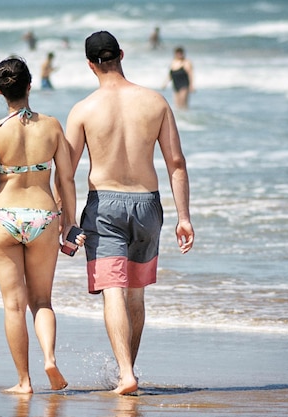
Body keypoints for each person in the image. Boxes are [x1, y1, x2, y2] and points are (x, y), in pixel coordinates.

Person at [64, 31, 194, 395]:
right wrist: (184, 217)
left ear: (90, 65)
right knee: (135, 294)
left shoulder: (84, 109)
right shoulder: (155, 102)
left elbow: (66, 172)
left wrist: (67, 221)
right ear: (121, 54)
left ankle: (126, 374)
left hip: (104, 206)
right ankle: (128, 370)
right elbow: (177, 163)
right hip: (148, 204)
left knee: (113, 292)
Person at [0, 56, 83, 394]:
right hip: (44, 217)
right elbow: (67, 178)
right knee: (42, 301)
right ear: (30, 85)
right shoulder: (52, 126)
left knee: (14, 305)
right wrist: (69, 222)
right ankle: (49, 358)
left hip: (3, 217)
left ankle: (24, 381)